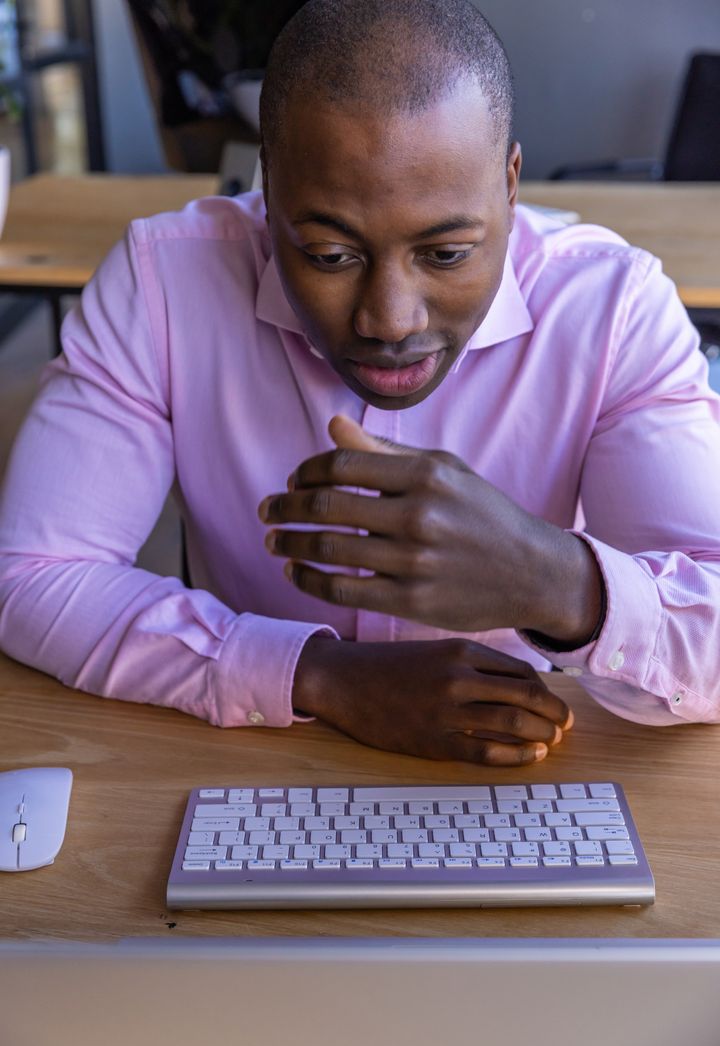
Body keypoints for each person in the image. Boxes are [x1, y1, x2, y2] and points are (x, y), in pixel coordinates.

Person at [1, 0, 719, 768]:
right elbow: (32, 578)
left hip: (534, 771)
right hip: (264, 760)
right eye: (329, 254)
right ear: (267, 192)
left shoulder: (614, 310)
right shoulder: (163, 284)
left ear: (509, 185)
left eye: (446, 254)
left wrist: (558, 582)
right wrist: (321, 676)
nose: (388, 320)